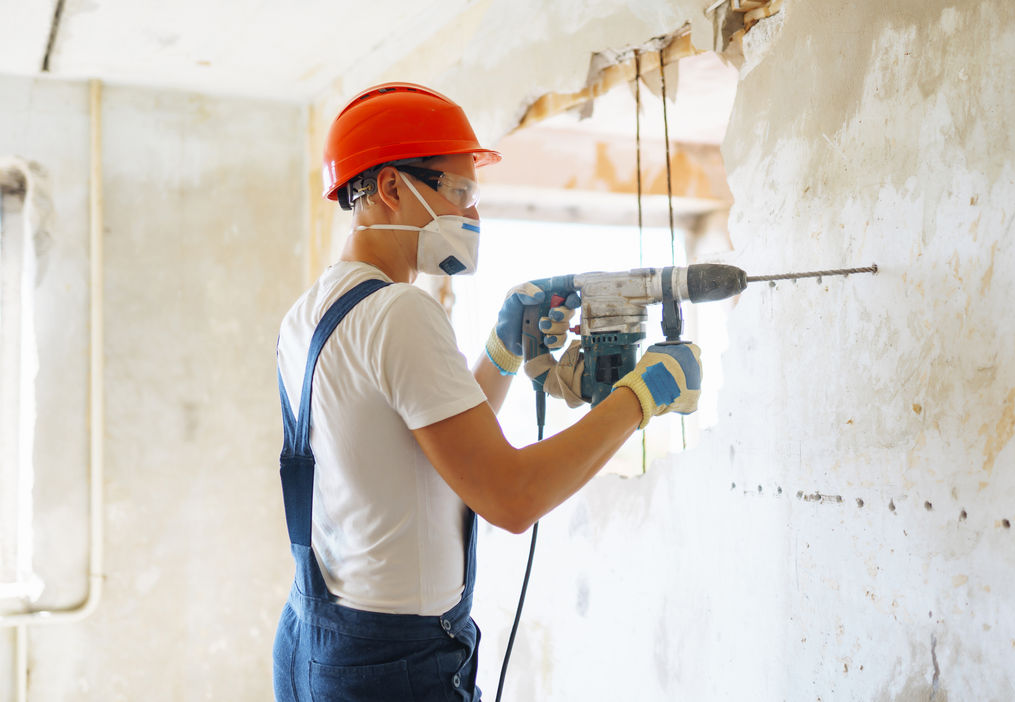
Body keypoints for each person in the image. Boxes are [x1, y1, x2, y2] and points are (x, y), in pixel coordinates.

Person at [271, 82, 703, 702]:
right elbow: (511, 496)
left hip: (317, 642)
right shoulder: (401, 312)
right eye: (462, 192)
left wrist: (501, 353)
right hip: (395, 666)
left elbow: (425, 448)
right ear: (392, 187)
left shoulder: (308, 315)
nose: (473, 216)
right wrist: (641, 396)